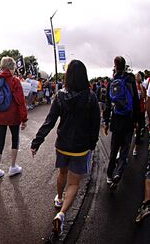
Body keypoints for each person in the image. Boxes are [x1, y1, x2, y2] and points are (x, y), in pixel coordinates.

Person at [31, 60, 100, 236]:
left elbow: (50, 121)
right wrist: (92, 143)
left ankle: (59, 198)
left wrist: (37, 141)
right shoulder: (91, 97)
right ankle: (62, 214)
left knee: (62, 173)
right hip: (81, 147)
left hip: (62, 145)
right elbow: (95, 124)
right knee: (74, 182)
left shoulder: (60, 96)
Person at [103, 56, 139, 189]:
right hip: (128, 120)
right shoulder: (130, 79)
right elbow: (135, 100)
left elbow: (107, 103)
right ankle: (119, 172)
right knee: (124, 150)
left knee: (114, 150)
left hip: (116, 120)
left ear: (115, 66)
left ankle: (109, 175)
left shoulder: (113, 81)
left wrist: (106, 121)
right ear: (125, 66)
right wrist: (136, 120)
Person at [0, 57, 28, 180]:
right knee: (15, 138)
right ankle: (12, 167)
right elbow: (21, 101)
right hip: (13, 115)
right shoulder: (15, 81)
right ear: (12, 67)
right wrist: (24, 119)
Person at [132, 71, 146, 156]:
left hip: (140, 111)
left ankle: (135, 148)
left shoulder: (142, 87)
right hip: (133, 111)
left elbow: (143, 97)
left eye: (139, 76)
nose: (138, 77)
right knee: (130, 130)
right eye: (137, 76)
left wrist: (141, 87)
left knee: (138, 129)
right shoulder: (132, 86)